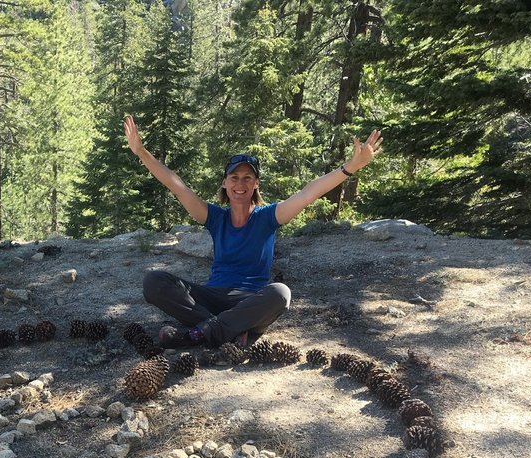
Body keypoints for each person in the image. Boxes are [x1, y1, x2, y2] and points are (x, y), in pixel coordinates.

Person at [123, 115, 383, 348]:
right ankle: (224, 331)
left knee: (281, 293)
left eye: (247, 178)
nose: (240, 183)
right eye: (234, 178)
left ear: (256, 184)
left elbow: (308, 193)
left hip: (250, 301)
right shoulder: (214, 217)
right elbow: (177, 185)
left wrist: (352, 166)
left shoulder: (269, 217)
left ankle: (203, 332)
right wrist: (141, 152)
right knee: (154, 282)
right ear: (225, 184)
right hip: (212, 297)